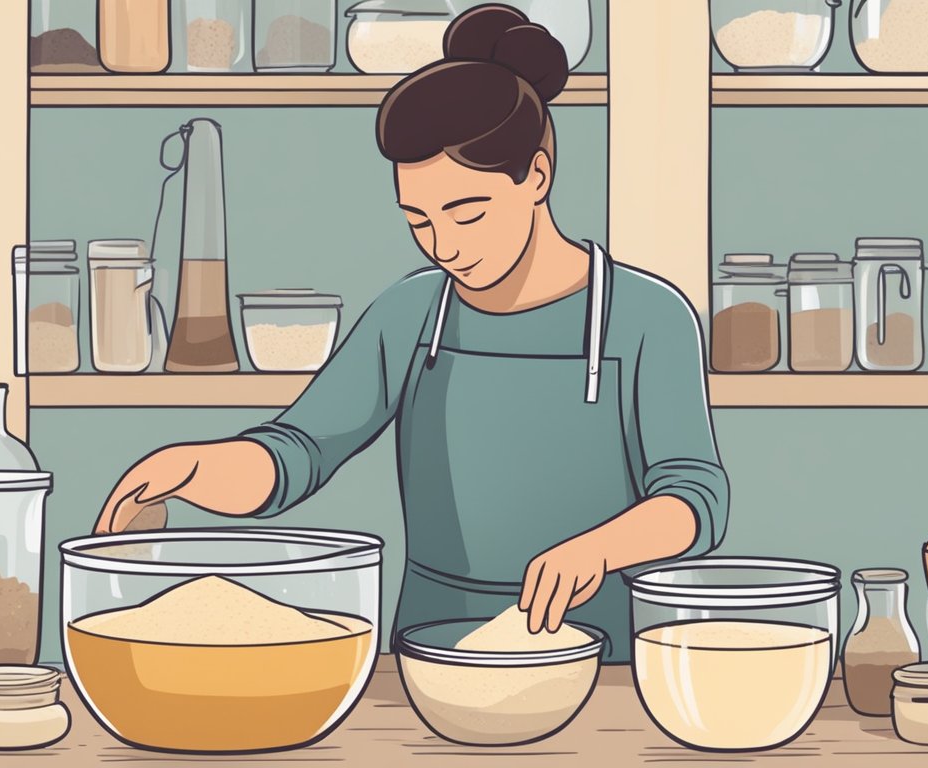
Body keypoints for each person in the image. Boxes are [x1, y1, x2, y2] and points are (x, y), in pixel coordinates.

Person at [94, 5, 728, 662]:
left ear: (536, 175)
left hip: (602, 660)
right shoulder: (411, 315)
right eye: (418, 221)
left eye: (467, 214)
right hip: (429, 655)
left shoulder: (648, 318)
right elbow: (299, 452)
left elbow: (695, 498)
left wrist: (599, 548)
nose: (444, 248)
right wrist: (196, 467)